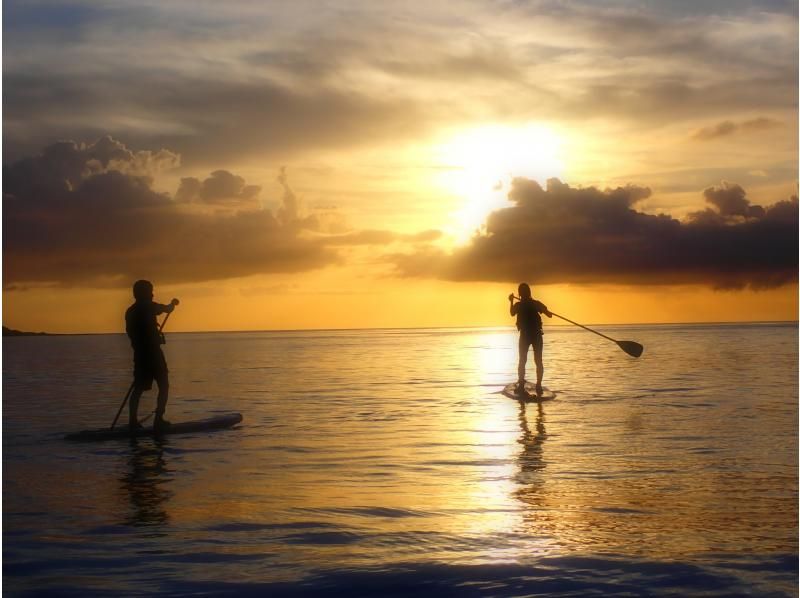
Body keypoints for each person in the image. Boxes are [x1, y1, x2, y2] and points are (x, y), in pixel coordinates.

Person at [125, 280, 178, 433]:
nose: (152, 293)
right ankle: (158, 420)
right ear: (143, 293)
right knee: (164, 384)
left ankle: (132, 421)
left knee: (139, 388)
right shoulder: (147, 306)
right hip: (152, 354)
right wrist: (172, 305)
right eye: (150, 291)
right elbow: (166, 309)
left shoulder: (130, 311)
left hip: (140, 355)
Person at [509, 283, 552, 396]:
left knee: (522, 360)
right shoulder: (535, 304)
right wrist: (546, 311)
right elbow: (549, 315)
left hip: (525, 336)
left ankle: (522, 386)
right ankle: (538, 385)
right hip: (536, 335)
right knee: (538, 361)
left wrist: (510, 301)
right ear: (529, 293)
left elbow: (512, 313)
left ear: (520, 294)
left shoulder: (519, 305)